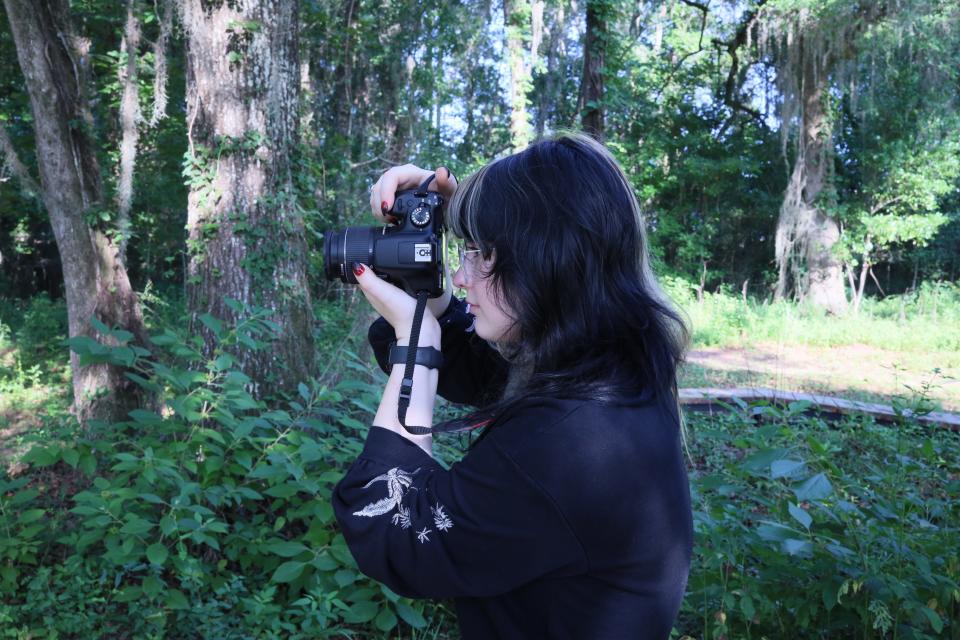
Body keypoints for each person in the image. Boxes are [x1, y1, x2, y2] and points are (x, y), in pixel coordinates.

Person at [332, 132, 692, 639]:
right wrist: (433, 243)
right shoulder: (611, 370)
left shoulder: (570, 442)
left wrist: (416, 341)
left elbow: (390, 526)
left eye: (479, 253)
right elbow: (477, 370)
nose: (460, 275)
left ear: (543, 262)